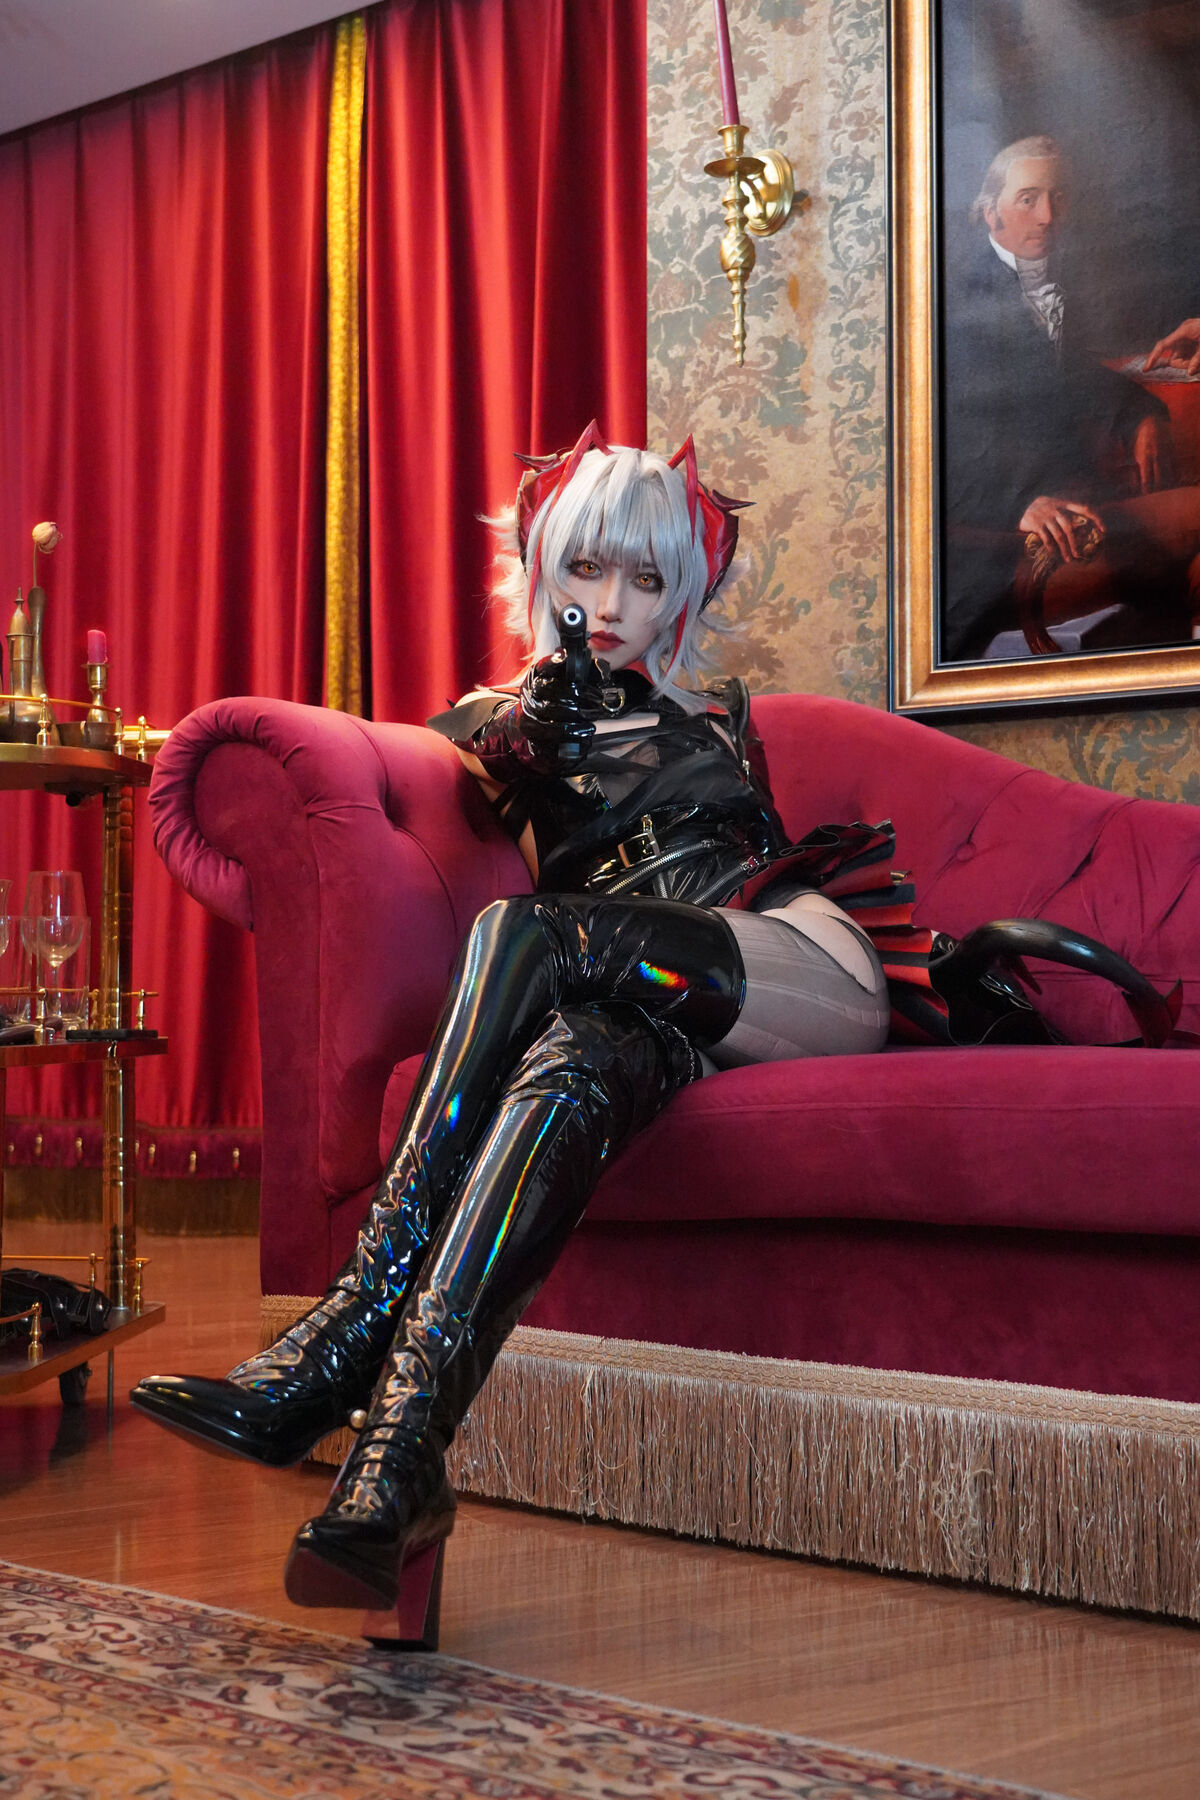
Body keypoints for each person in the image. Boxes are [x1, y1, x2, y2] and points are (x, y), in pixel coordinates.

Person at [129, 427, 1177, 1616]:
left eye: (647, 577)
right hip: (656, 1008)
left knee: (527, 935)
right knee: (573, 1064)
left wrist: (573, 726)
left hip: (799, 967)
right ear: (543, 572)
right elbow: (503, 755)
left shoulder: (714, 717)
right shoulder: (498, 725)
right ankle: (397, 1464)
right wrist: (539, 720)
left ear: (678, 592)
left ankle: (346, 1335)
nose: (617, 604)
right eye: (588, 569)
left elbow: (612, 864)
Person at [943, 137, 1200, 660]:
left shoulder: (1045, 283)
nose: (1047, 216)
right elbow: (926, 442)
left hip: (1075, 509)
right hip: (1003, 546)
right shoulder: (957, 301)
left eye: (1057, 198)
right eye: (1028, 198)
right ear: (991, 212)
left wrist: (1139, 415)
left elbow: (1071, 375)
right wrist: (1019, 505)